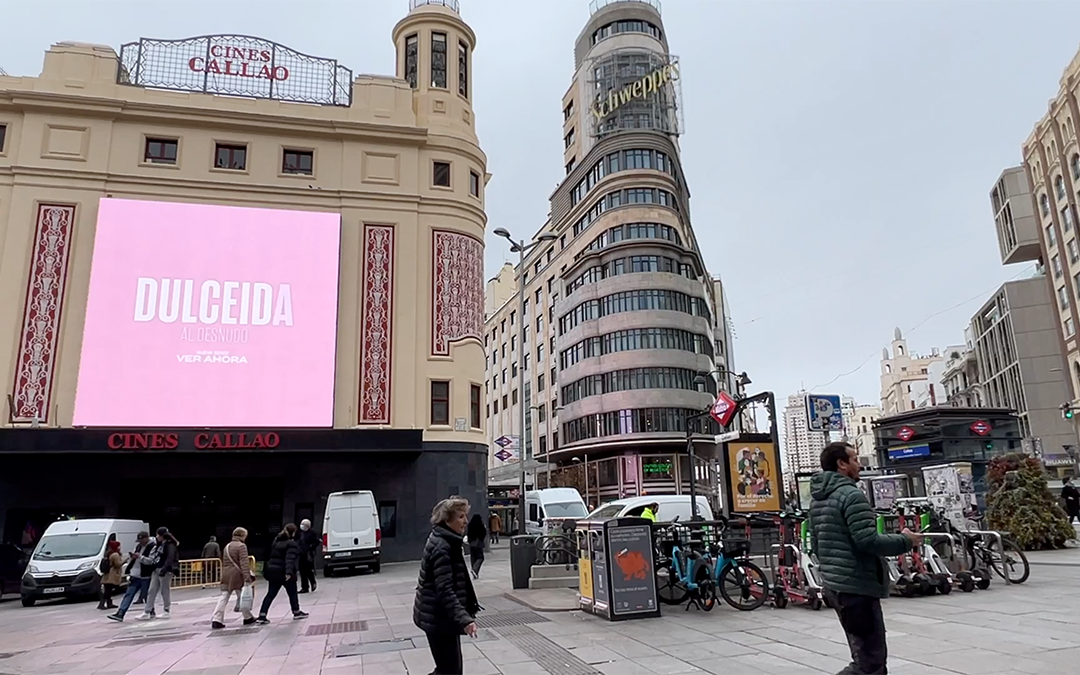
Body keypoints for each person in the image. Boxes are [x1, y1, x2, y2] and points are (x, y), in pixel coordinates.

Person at [810, 442, 921, 675]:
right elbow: (868, 541)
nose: (860, 465)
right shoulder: (851, 495)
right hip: (856, 587)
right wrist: (906, 541)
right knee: (870, 664)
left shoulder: (818, 498)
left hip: (837, 584)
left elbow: (817, 545)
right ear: (842, 464)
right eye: (855, 459)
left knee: (865, 657)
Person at [413, 497, 480, 675]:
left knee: (450, 670)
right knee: (450, 671)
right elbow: (444, 590)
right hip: (437, 618)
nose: (465, 521)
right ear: (446, 520)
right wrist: (465, 619)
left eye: (465, 516)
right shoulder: (443, 547)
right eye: (460, 517)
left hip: (441, 618)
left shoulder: (446, 540)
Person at [255, 523, 308, 623]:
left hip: (274, 571)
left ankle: (262, 615)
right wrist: (288, 572)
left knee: (270, 594)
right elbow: (290, 559)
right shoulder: (291, 544)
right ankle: (296, 611)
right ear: (293, 532)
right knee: (292, 593)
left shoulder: (276, 541)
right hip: (284, 572)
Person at [212, 527, 257, 629]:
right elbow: (244, 563)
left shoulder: (227, 546)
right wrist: (247, 577)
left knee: (224, 596)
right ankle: (247, 617)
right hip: (237, 574)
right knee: (243, 596)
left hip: (226, 573)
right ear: (242, 535)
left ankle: (216, 618)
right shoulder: (241, 546)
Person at [108, 531, 154, 622]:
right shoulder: (138, 546)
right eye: (139, 540)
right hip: (135, 574)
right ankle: (121, 613)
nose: (140, 542)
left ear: (146, 538)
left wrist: (140, 557)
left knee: (146, 595)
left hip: (145, 575)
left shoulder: (153, 547)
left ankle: (150, 611)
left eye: (141, 539)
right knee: (129, 594)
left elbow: (151, 561)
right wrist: (132, 558)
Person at [138, 527, 179, 621]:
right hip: (156, 569)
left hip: (164, 570)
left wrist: (165, 569)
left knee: (164, 591)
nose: (156, 537)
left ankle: (166, 610)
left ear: (162, 536)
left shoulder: (170, 545)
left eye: (158, 535)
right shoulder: (160, 544)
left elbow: (170, 557)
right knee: (151, 590)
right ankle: (147, 611)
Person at [97, 540, 123, 610]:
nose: (120, 547)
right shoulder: (115, 555)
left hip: (107, 575)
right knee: (108, 590)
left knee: (108, 589)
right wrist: (125, 561)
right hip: (112, 575)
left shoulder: (108, 554)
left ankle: (108, 603)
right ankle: (102, 604)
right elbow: (118, 564)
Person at [297, 519, 319, 594]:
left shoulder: (312, 533)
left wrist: (311, 547)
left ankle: (312, 582)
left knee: (308, 570)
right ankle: (304, 587)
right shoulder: (301, 533)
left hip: (308, 554)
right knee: (302, 571)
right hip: (301, 554)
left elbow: (317, 542)